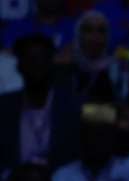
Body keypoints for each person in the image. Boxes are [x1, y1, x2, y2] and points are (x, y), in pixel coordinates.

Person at [0, 33, 82, 171]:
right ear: (19, 66)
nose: (37, 66)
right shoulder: (4, 106)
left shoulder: (74, 105)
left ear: (51, 64)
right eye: (31, 60)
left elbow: (105, 113)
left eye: (42, 59)